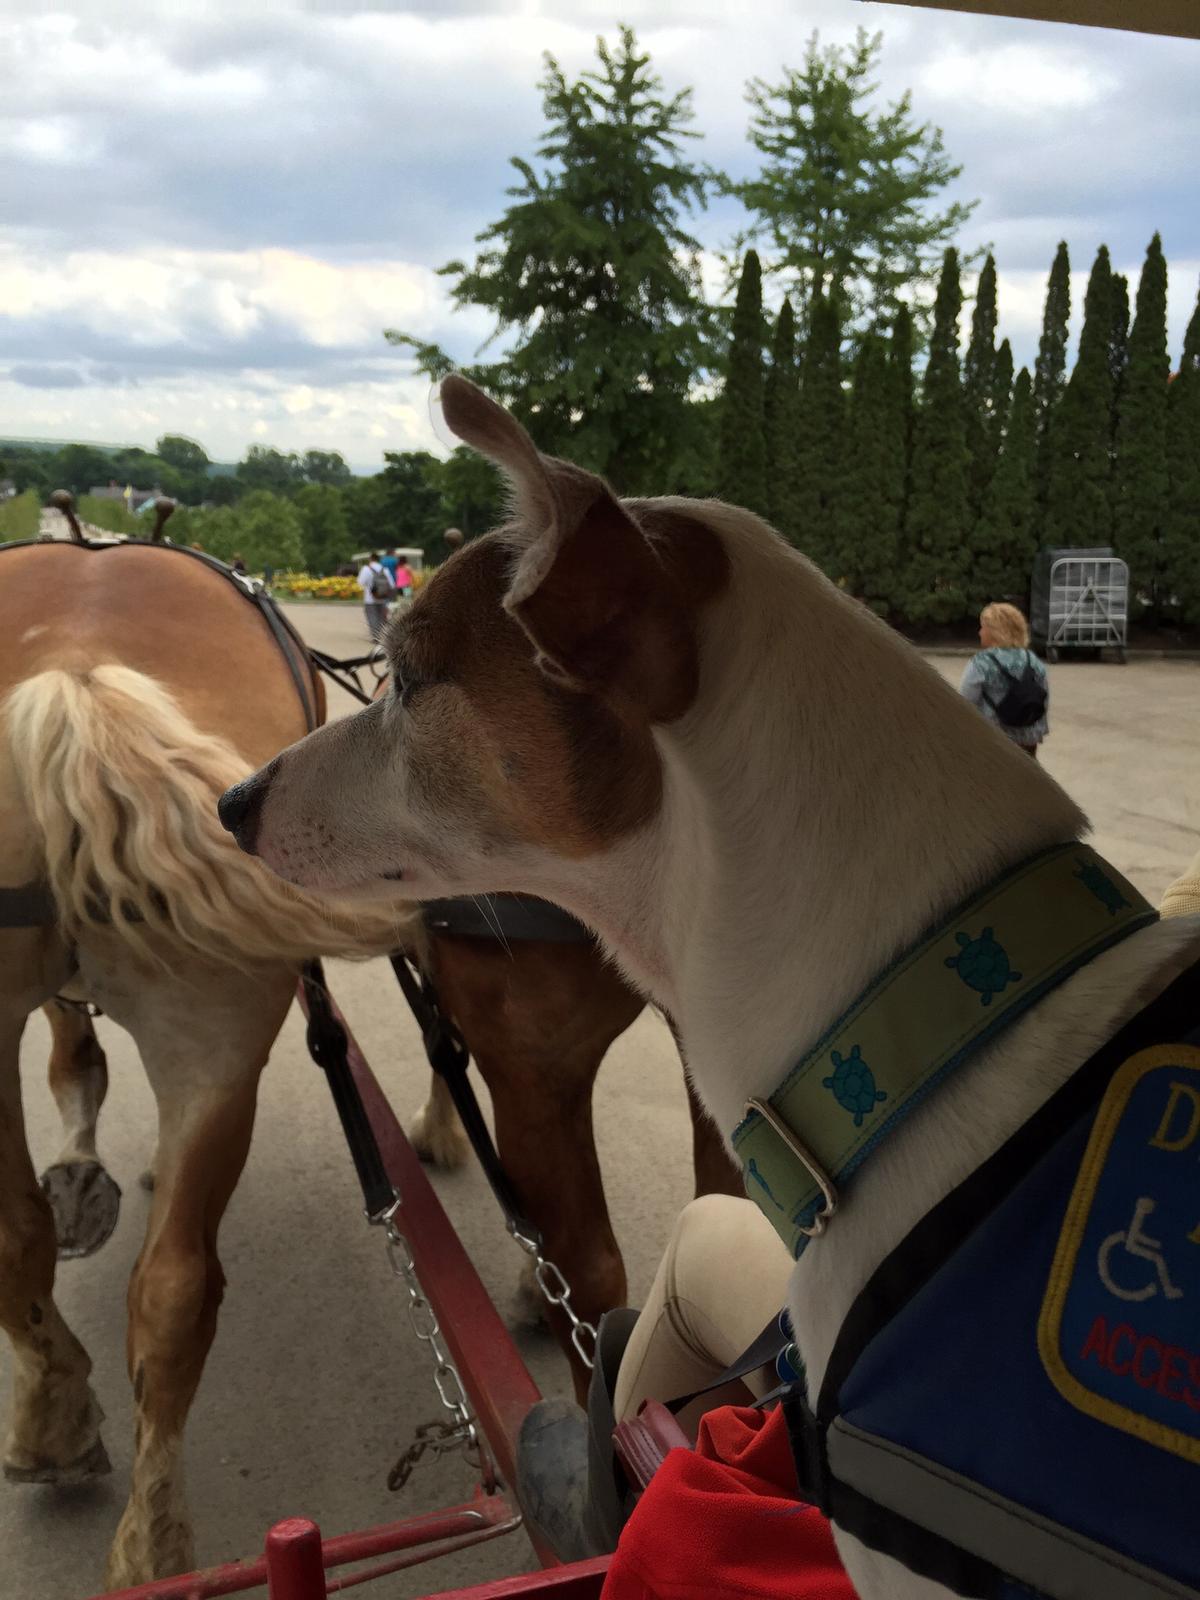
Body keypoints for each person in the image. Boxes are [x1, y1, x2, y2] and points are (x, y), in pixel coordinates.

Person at [959, 602, 1049, 759]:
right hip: (1028, 745)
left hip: (993, 744)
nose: (980, 632)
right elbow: (1042, 701)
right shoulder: (1033, 660)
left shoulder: (982, 662)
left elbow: (964, 705)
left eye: (983, 627)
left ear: (994, 631)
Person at [357, 551, 394, 640]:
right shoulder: (385, 569)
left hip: (370, 598)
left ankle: (375, 636)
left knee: (372, 616)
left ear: (370, 559)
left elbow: (360, 582)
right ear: (379, 560)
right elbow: (392, 585)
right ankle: (382, 636)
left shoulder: (366, 569)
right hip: (383, 597)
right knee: (382, 617)